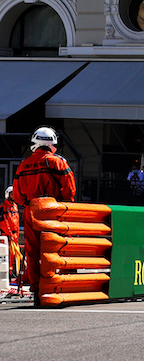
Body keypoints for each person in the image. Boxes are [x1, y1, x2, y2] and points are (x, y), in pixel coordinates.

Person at [12, 126, 76, 305]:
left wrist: (28, 204)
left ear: (35, 143)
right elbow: (70, 189)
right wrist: (63, 204)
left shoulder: (23, 165)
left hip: (32, 210)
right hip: (54, 209)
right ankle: (58, 284)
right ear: (52, 144)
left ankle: (35, 288)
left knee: (32, 251)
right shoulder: (58, 162)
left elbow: (17, 195)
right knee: (58, 248)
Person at [2, 185, 21, 292]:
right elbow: (4, 222)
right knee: (7, 257)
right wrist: (9, 234)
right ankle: (7, 276)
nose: (13, 196)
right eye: (12, 194)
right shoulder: (3, 207)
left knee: (13, 256)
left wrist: (16, 235)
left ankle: (10, 275)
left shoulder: (15, 206)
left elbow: (17, 223)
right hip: (7, 236)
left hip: (14, 236)